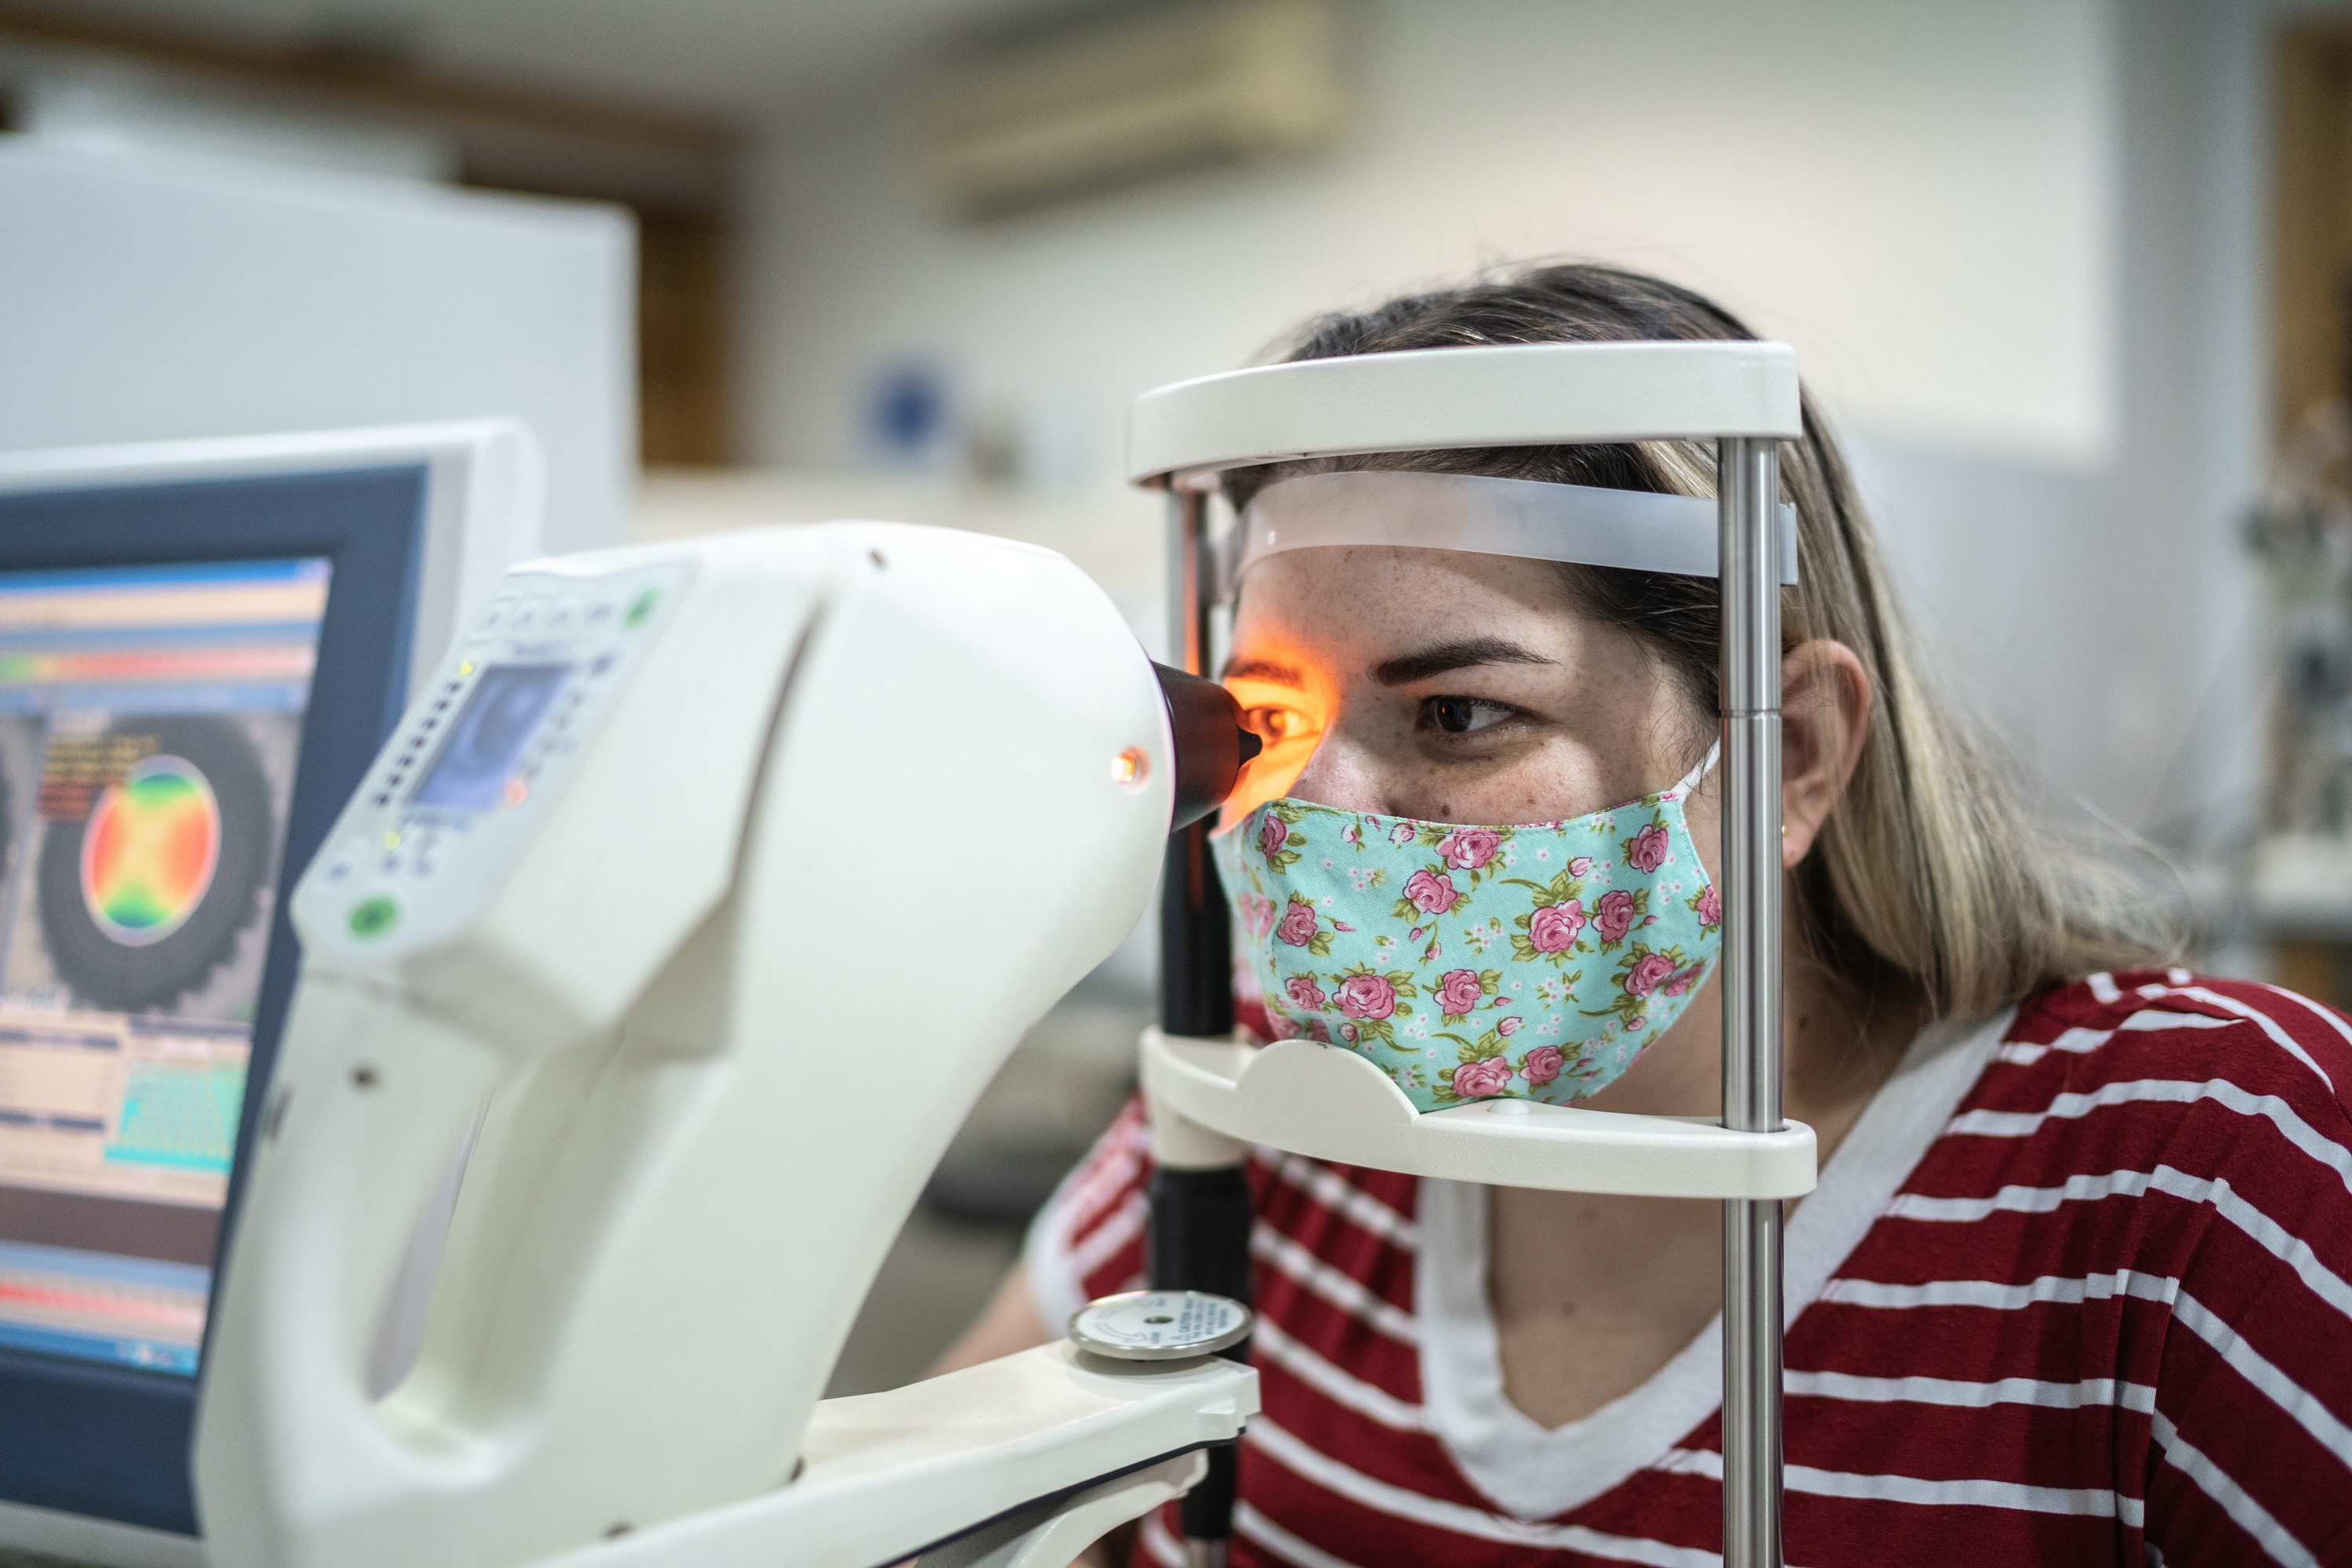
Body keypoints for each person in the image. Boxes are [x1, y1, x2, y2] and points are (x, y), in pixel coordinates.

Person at [936, 263, 2352, 1565]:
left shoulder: (2199, 1169)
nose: (1319, 820)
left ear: (1792, 755)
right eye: (1270, 721)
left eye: (1461, 714)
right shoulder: (1260, 1103)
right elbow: (942, 1492)